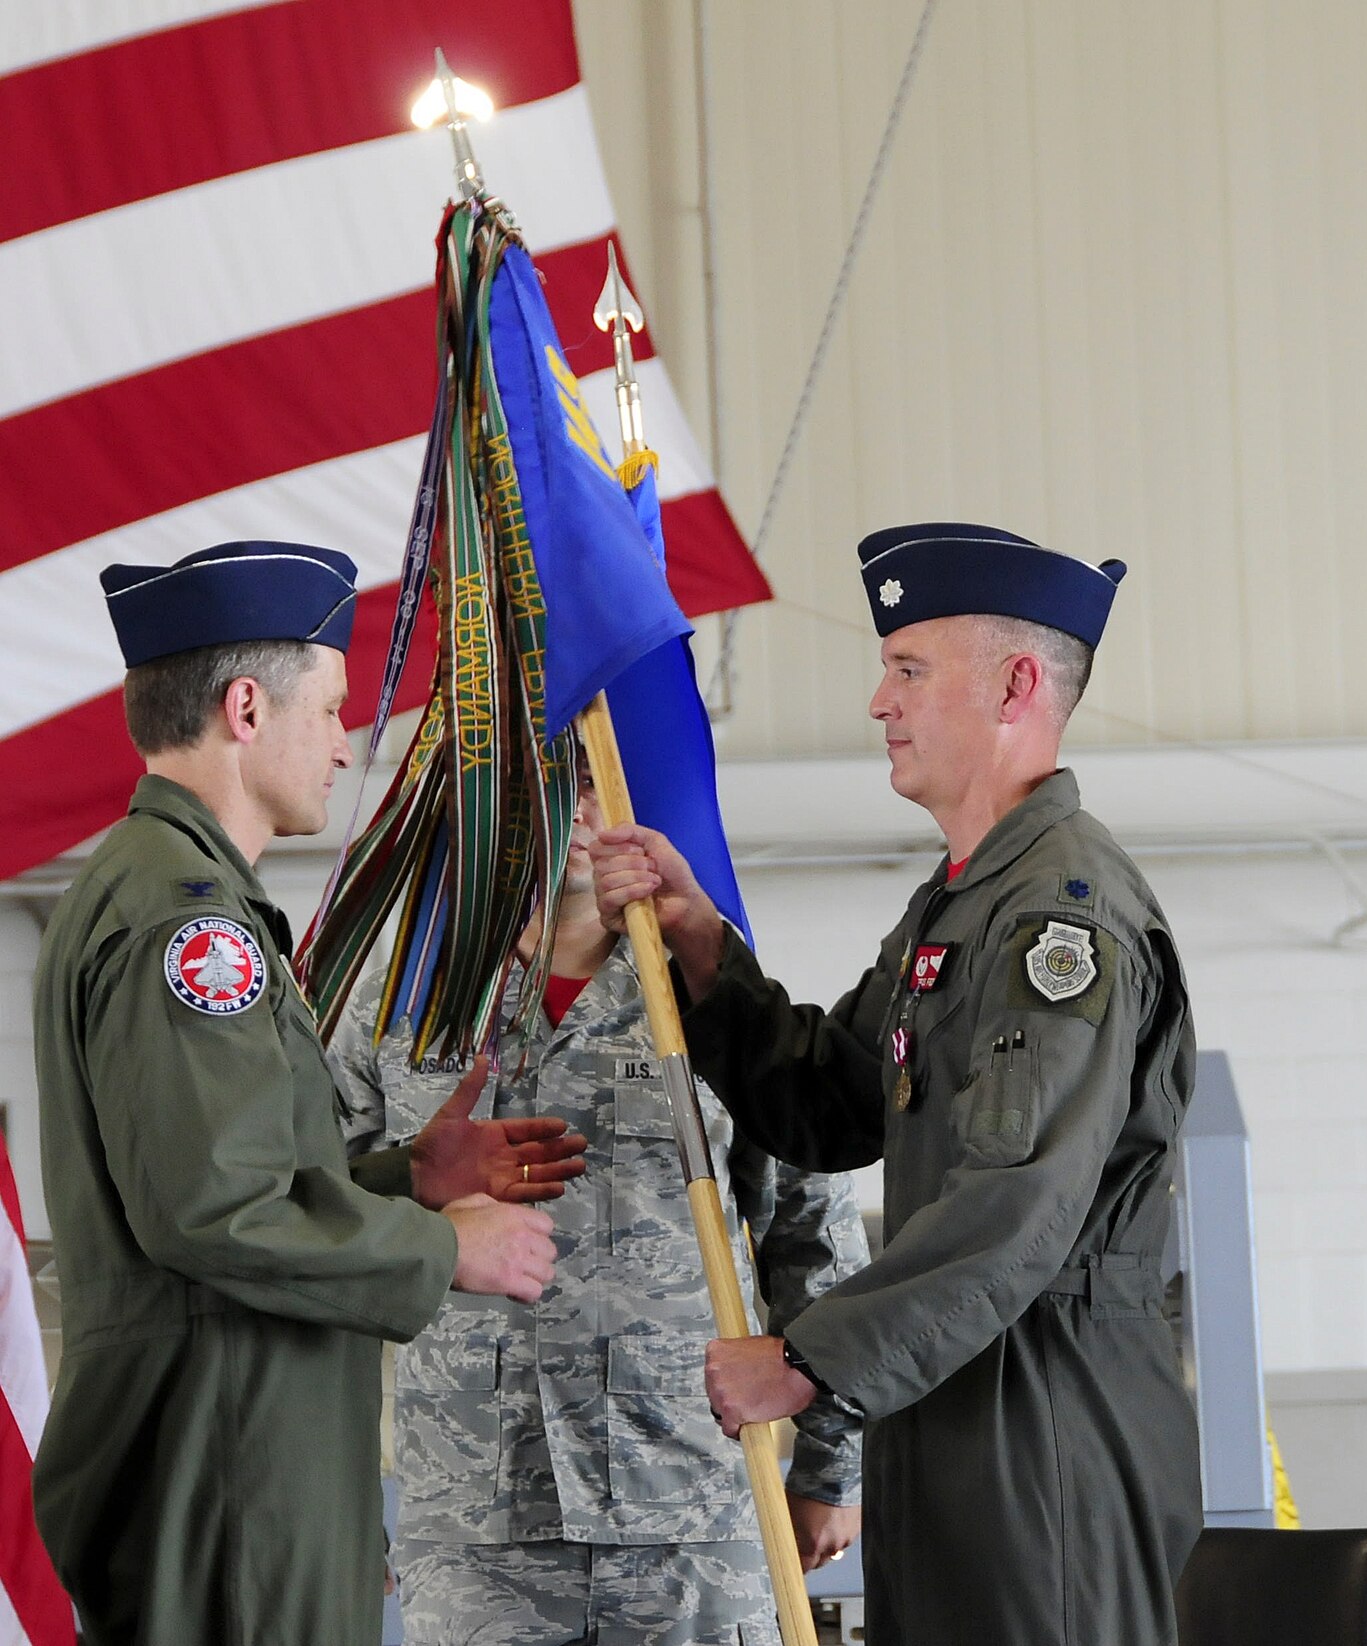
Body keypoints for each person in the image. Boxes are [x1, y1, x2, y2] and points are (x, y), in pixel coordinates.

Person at [591, 523, 1204, 1646]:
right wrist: (702, 950)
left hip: (1044, 1409)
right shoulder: (962, 901)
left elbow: (1016, 1205)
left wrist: (805, 1358)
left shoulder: (1056, 914)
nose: (879, 700)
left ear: (1017, 682)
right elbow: (828, 1100)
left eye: (909, 667)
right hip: (948, 1392)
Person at [32, 541, 583, 1645]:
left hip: (235, 1451)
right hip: (229, 1465)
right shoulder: (186, 923)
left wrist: (407, 1178)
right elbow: (212, 1212)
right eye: (328, 708)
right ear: (246, 707)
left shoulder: (166, 890)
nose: (343, 744)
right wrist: (445, 1249)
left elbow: (220, 1173)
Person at [331, 761, 868, 1645]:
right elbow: (320, 1227)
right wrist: (339, 1499)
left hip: (693, 1504)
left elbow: (813, 1230)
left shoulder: (706, 983)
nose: (573, 812)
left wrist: (830, 1463)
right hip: (476, 1521)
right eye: (539, 781)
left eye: (593, 783)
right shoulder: (399, 989)